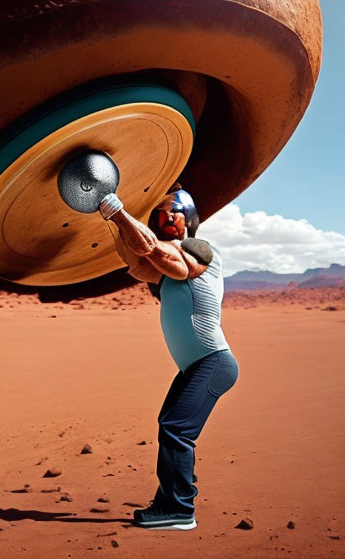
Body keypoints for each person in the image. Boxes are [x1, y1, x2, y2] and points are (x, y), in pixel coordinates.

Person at [97, 185, 238, 531]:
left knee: (177, 429)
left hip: (213, 362)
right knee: (169, 426)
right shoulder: (161, 272)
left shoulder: (199, 251)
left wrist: (116, 210)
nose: (164, 217)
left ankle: (180, 509)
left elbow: (153, 252)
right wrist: (111, 221)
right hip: (196, 366)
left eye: (172, 212)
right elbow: (135, 258)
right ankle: (168, 501)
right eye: (159, 214)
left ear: (189, 219)